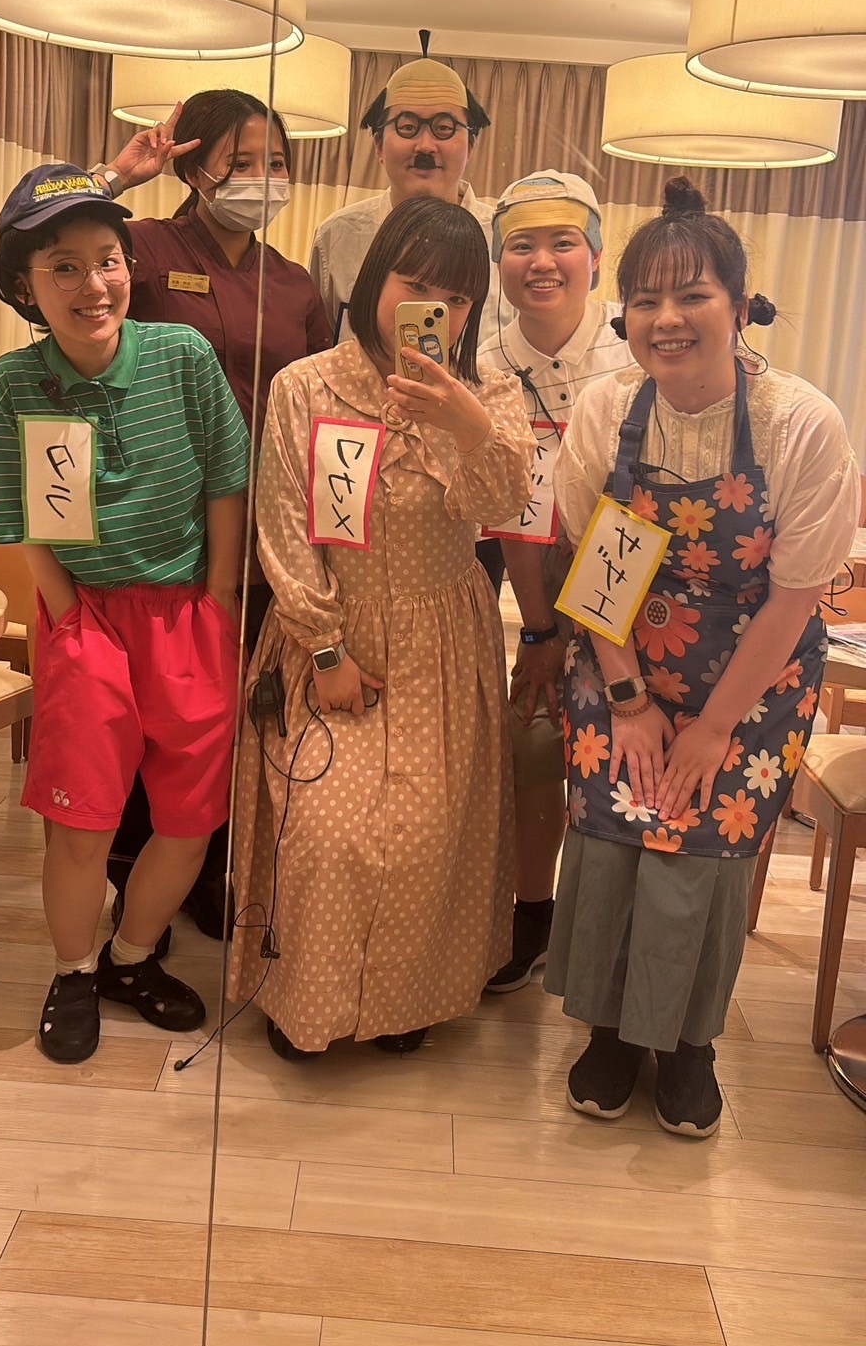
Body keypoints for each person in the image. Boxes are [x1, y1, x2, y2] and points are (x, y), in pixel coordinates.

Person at [546, 176, 860, 1137]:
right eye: (646, 299)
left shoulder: (800, 422)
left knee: (703, 853)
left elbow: (796, 594)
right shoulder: (607, 409)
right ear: (624, 314)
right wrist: (630, 700)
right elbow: (596, 566)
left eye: (693, 296)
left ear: (740, 305)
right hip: (622, 658)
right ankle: (609, 1031)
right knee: (610, 839)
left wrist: (713, 727)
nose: (668, 319)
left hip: (754, 678)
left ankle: (688, 1043)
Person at [227, 197, 535, 1058]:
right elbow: (286, 524)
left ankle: (404, 1000)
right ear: (373, 281)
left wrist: (468, 427)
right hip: (332, 631)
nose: (435, 309)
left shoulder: (491, 393)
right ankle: (308, 1002)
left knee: (430, 836)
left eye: (458, 298)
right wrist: (325, 645)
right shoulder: (306, 386)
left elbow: (502, 506)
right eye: (415, 284)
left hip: (445, 639)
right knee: (326, 832)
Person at [0, 165, 249, 1064]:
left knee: (190, 819)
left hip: (188, 614)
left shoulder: (183, 356)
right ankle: (73, 971)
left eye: (107, 260)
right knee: (81, 821)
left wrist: (218, 597)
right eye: (63, 266)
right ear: (26, 286)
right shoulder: (14, 384)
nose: (92, 284)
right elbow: (23, 517)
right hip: (86, 616)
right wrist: (67, 619)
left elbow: (226, 479)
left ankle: (132, 959)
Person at [89, 91, 333, 939]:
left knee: (225, 712)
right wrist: (116, 178)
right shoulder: (142, 247)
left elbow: (324, 403)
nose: (264, 178)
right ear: (196, 167)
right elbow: (36, 261)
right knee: (146, 715)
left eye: (277, 162)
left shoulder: (295, 284)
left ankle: (202, 868)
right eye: (242, 161)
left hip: (261, 529)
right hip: (156, 525)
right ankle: (129, 890)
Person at [477, 171, 633, 991]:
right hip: (535, 577)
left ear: (596, 258)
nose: (542, 261)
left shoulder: (637, 347)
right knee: (535, 741)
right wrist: (539, 631)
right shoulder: (483, 361)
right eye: (521, 246)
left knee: (623, 752)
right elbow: (512, 508)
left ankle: (609, 926)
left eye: (562, 242)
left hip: (640, 584)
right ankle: (532, 908)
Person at [308, 51, 501, 345]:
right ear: (378, 145)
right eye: (407, 127)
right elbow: (317, 349)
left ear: (471, 146)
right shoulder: (337, 236)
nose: (425, 146)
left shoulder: (506, 240)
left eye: (444, 128)